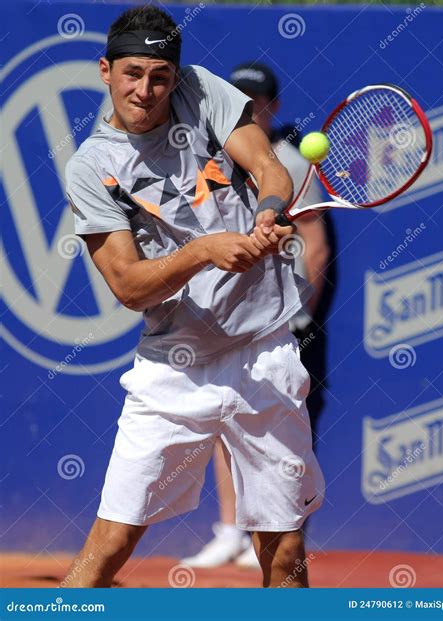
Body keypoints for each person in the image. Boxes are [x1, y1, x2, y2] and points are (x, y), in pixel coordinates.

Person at [63, 6, 325, 588]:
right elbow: (129, 287)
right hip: (172, 368)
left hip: (265, 350)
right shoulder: (90, 168)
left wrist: (267, 210)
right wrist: (203, 250)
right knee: (108, 547)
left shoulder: (202, 90)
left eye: (160, 76)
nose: (146, 89)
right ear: (105, 70)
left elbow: (267, 167)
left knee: (283, 554)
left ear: (176, 76)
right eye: (132, 73)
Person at [182, 63, 330, 569]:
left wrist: (300, 312)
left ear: (273, 106)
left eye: (258, 101)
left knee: (277, 428)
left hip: (283, 322)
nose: (250, 109)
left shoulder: (290, 161)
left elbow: (314, 242)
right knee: (224, 416)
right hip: (227, 320)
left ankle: (274, 535)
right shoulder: (212, 161)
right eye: (240, 100)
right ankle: (230, 529)